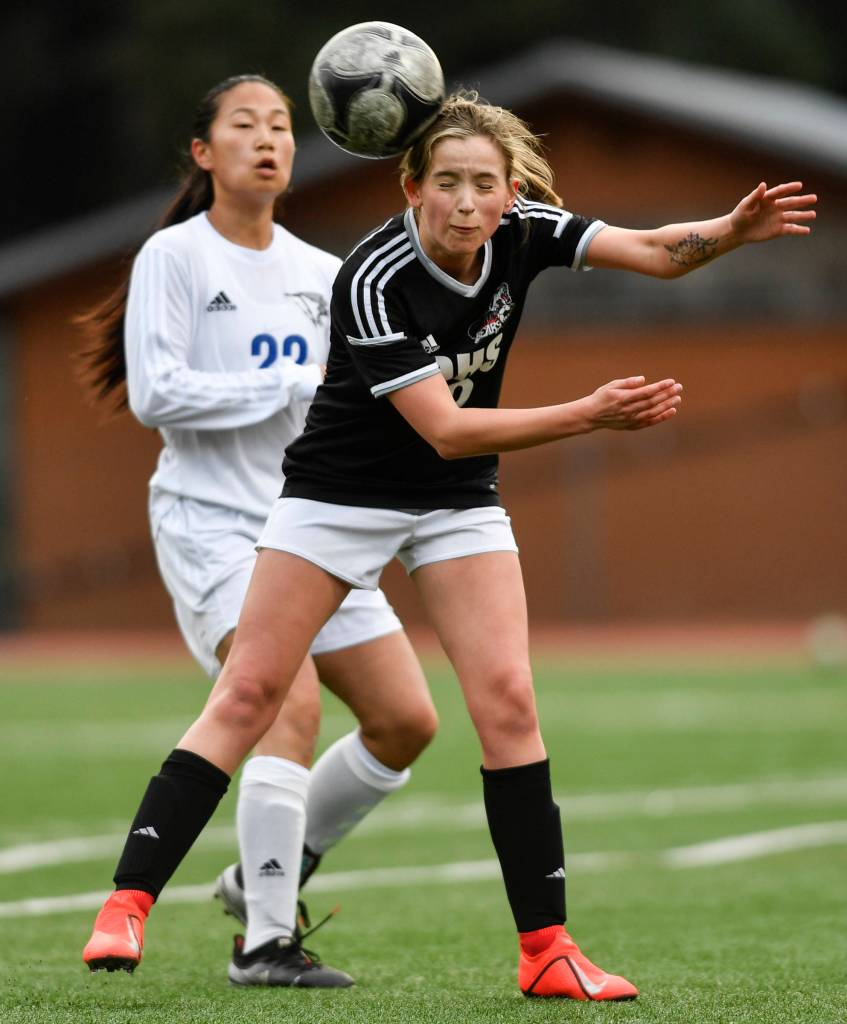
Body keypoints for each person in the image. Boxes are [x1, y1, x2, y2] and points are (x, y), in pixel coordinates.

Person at [82, 90, 816, 1000]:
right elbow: (444, 428)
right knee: (253, 693)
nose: (468, 204)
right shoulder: (370, 275)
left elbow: (654, 252)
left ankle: (546, 951)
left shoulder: (523, 228)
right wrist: (586, 414)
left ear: (511, 194)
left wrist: (730, 232)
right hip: (337, 497)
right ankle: (128, 901)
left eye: (484, 186)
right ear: (411, 187)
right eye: (449, 185)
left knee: (506, 702)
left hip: (452, 503)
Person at [78, 74, 439, 988]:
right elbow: (156, 394)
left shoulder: (324, 273)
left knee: (404, 721)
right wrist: (277, 390)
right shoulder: (176, 255)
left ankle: (260, 875)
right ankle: (266, 944)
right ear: (205, 153)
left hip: (313, 528)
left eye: (280, 125)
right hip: (212, 527)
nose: (267, 139)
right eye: (244, 125)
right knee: (289, 705)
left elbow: (358, 408)